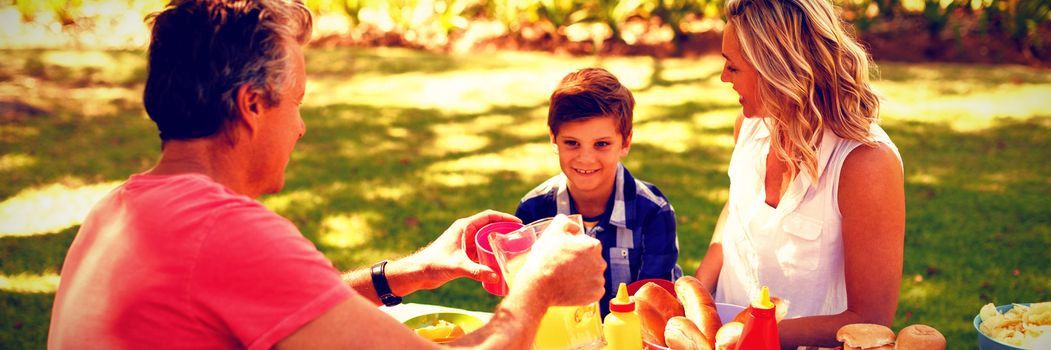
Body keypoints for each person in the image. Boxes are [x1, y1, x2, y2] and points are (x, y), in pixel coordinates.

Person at [46, 0, 606, 349]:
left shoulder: (122, 208)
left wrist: (409, 273)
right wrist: (538, 287)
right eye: (296, 102)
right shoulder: (223, 231)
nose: (302, 127)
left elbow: (289, 313)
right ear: (252, 105)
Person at [693, 0, 906, 348]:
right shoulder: (750, 126)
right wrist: (699, 290)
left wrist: (753, 337)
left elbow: (871, 319)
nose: (723, 78)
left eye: (733, 67)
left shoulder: (865, 164)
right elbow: (737, 211)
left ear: (778, 70)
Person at [515, 68, 682, 317]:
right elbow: (523, 299)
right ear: (554, 139)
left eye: (601, 144)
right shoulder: (533, 210)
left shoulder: (653, 212)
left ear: (625, 142)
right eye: (572, 143)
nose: (586, 158)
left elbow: (655, 306)